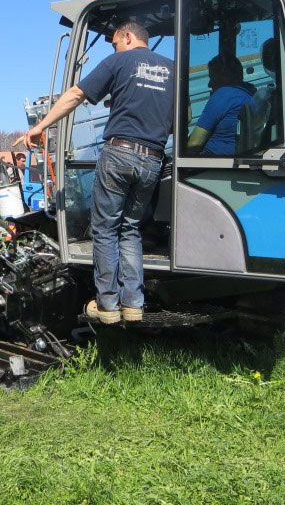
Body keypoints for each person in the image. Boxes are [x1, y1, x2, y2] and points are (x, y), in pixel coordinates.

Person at [14, 21, 173, 324]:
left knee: (105, 229)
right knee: (130, 230)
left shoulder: (118, 61)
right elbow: (182, 116)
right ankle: (134, 304)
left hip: (119, 153)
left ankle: (108, 305)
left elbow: (75, 95)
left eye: (114, 42)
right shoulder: (172, 68)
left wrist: (40, 126)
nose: (113, 48)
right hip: (153, 158)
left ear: (127, 37)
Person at [187, 54, 254, 155]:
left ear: (224, 76)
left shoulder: (225, 94)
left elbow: (194, 144)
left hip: (213, 163)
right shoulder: (249, 92)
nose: (209, 84)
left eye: (212, 77)